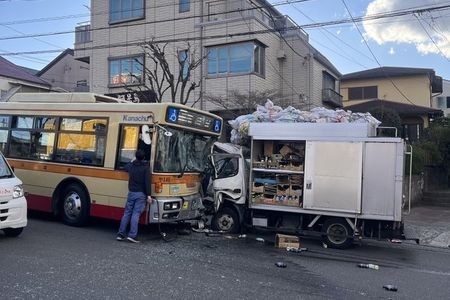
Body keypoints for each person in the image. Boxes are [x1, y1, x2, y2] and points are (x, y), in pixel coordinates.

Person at [117, 149, 152, 243]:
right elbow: (147, 182)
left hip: (131, 192)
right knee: (135, 214)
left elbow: (125, 167)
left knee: (127, 213)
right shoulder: (145, 168)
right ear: (144, 158)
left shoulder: (131, 166)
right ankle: (132, 235)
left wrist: (132, 160)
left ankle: (120, 234)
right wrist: (149, 195)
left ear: (135, 157)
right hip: (141, 194)